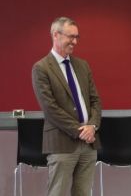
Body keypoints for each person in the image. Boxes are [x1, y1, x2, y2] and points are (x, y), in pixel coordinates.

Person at [32, 17, 101, 196]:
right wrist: (80, 130)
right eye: (71, 37)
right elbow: (50, 109)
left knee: (84, 193)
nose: (75, 42)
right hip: (61, 143)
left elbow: (95, 101)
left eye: (77, 37)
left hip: (88, 143)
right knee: (58, 192)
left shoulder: (82, 65)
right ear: (56, 35)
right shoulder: (41, 68)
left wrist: (92, 126)